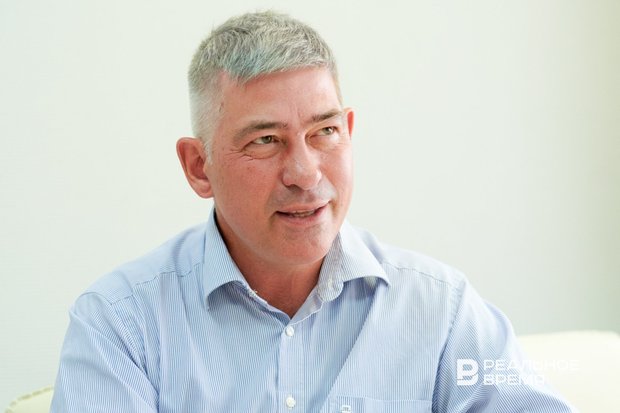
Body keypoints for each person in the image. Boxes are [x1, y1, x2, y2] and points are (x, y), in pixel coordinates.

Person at [51, 11, 575, 412]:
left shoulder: (443, 312)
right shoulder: (120, 325)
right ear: (198, 167)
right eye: (264, 140)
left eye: (325, 131)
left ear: (349, 130)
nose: (304, 173)